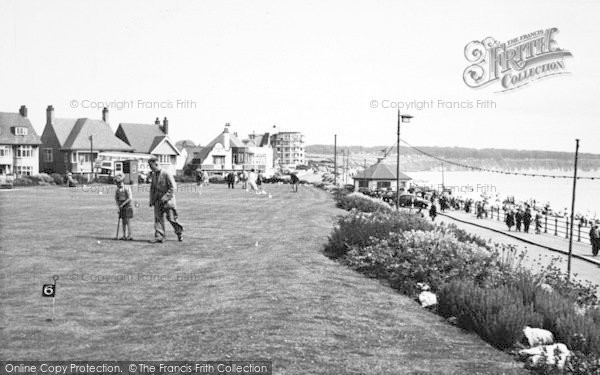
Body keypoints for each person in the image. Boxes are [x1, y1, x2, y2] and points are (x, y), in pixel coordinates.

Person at [148, 158, 183, 242]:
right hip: (157, 201)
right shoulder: (153, 175)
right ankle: (159, 237)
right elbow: (152, 188)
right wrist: (152, 200)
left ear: (156, 164)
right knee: (158, 219)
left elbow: (173, 187)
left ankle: (179, 233)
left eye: (150, 165)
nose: (150, 168)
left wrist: (165, 198)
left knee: (172, 219)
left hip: (168, 201)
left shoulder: (166, 173)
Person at [114, 174, 133, 240]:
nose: (118, 185)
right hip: (121, 206)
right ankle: (124, 235)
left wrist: (123, 204)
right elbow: (116, 198)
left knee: (128, 221)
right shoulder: (117, 190)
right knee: (123, 222)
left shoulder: (127, 188)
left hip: (127, 206)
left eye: (119, 183)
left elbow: (130, 198)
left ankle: (129, 235)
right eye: (117, 184)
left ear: (122, 182)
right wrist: (118, 206)